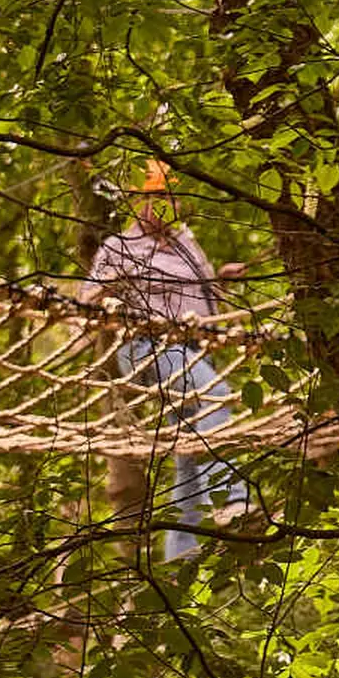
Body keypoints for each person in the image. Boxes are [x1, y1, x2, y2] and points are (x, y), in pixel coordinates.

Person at [88, 160, 248, 562]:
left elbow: (204, 300)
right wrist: (107, 298)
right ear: (140, 204)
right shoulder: (119, 248)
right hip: (146, 346)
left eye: (170, 198)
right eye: (156, 199)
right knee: (216, 396)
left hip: (191, 348)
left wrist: (222, 282)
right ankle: (231, 500)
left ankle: (182, 553)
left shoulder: (187, 246)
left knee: (188, 447)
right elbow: (83, 300)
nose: (164, 206)